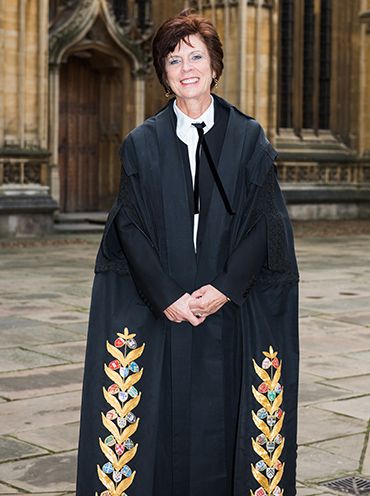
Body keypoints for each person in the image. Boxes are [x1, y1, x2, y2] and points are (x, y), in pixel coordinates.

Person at [76, 9, 299, 496]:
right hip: (168, 306)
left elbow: (267, 224)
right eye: (173, 60)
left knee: (232, 418)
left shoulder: (248, 138)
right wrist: (166, 296)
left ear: (215, 65)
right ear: (163, 72)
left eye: (195, 56)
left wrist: (224, 289)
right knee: (156, 422)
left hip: (226, 301)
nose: (186, 68)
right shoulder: (142, 143)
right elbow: (128, 227)